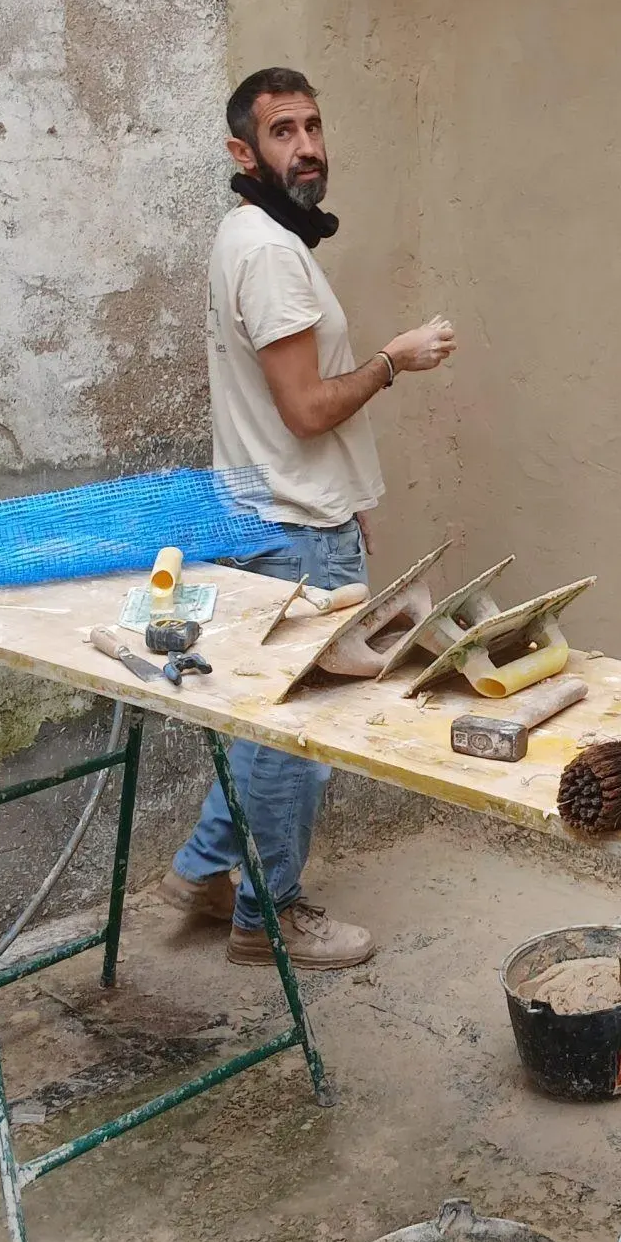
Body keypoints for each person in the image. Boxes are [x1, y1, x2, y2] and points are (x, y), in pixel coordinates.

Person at [164, 66, 455, 967]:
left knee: (263, 718)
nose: (308, 148)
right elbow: (307, 409)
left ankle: (206, 871)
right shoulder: (268, 252)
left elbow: (289, 425)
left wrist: (345, 506)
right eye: (283, 131)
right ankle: (268, 914)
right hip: (291, 530)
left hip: (285, 514)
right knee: (295, 737)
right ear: (242, 151)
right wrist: (394, 361)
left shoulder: (257, 239)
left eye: (314, 127)